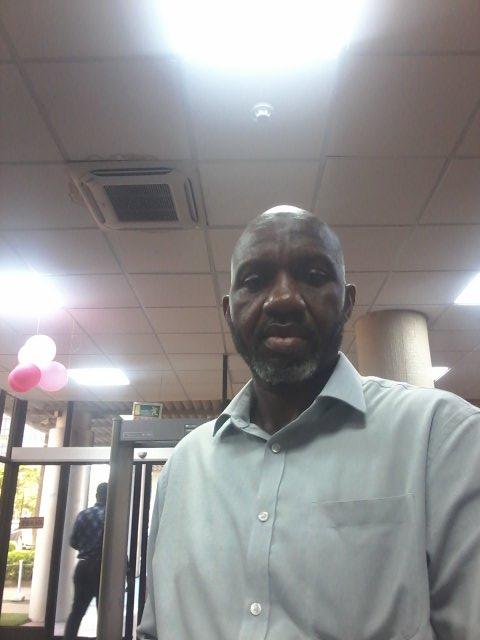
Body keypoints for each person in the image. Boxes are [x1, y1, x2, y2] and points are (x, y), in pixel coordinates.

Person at [138, 206, 480, 640]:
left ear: (347, 303)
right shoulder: (185, 466)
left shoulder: (442, 437)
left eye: (313, 276)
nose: (282, 299)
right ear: (229, 311)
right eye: (254, 281)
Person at [64, 482, 108, 639]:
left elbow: (73, 542)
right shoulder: (110, 516)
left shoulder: (83, 514)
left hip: (83, 566)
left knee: (77, 611)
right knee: (104, 613)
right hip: (103, 568)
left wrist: (86, 547)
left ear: (97, 495)